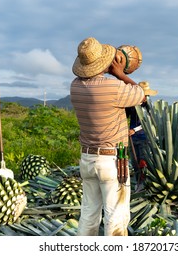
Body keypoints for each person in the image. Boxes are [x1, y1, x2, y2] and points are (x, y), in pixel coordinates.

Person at [70, 37, 146, 236]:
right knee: (115, 215)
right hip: (111, 161)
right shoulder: (112, 88)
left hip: (87, 159)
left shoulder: (75, 86)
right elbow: (141, 95)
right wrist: (120, 73)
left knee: (88, 213)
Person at [126, 82, 157, 191]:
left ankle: (145, 184)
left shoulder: (148, 106)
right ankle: (138, 183)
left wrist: (134, 130)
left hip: (144, 137)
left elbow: (149, 122)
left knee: (144, 161)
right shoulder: (132, 104)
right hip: (133, 137)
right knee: (134, 161)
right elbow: (125, 116)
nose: (145, 97)